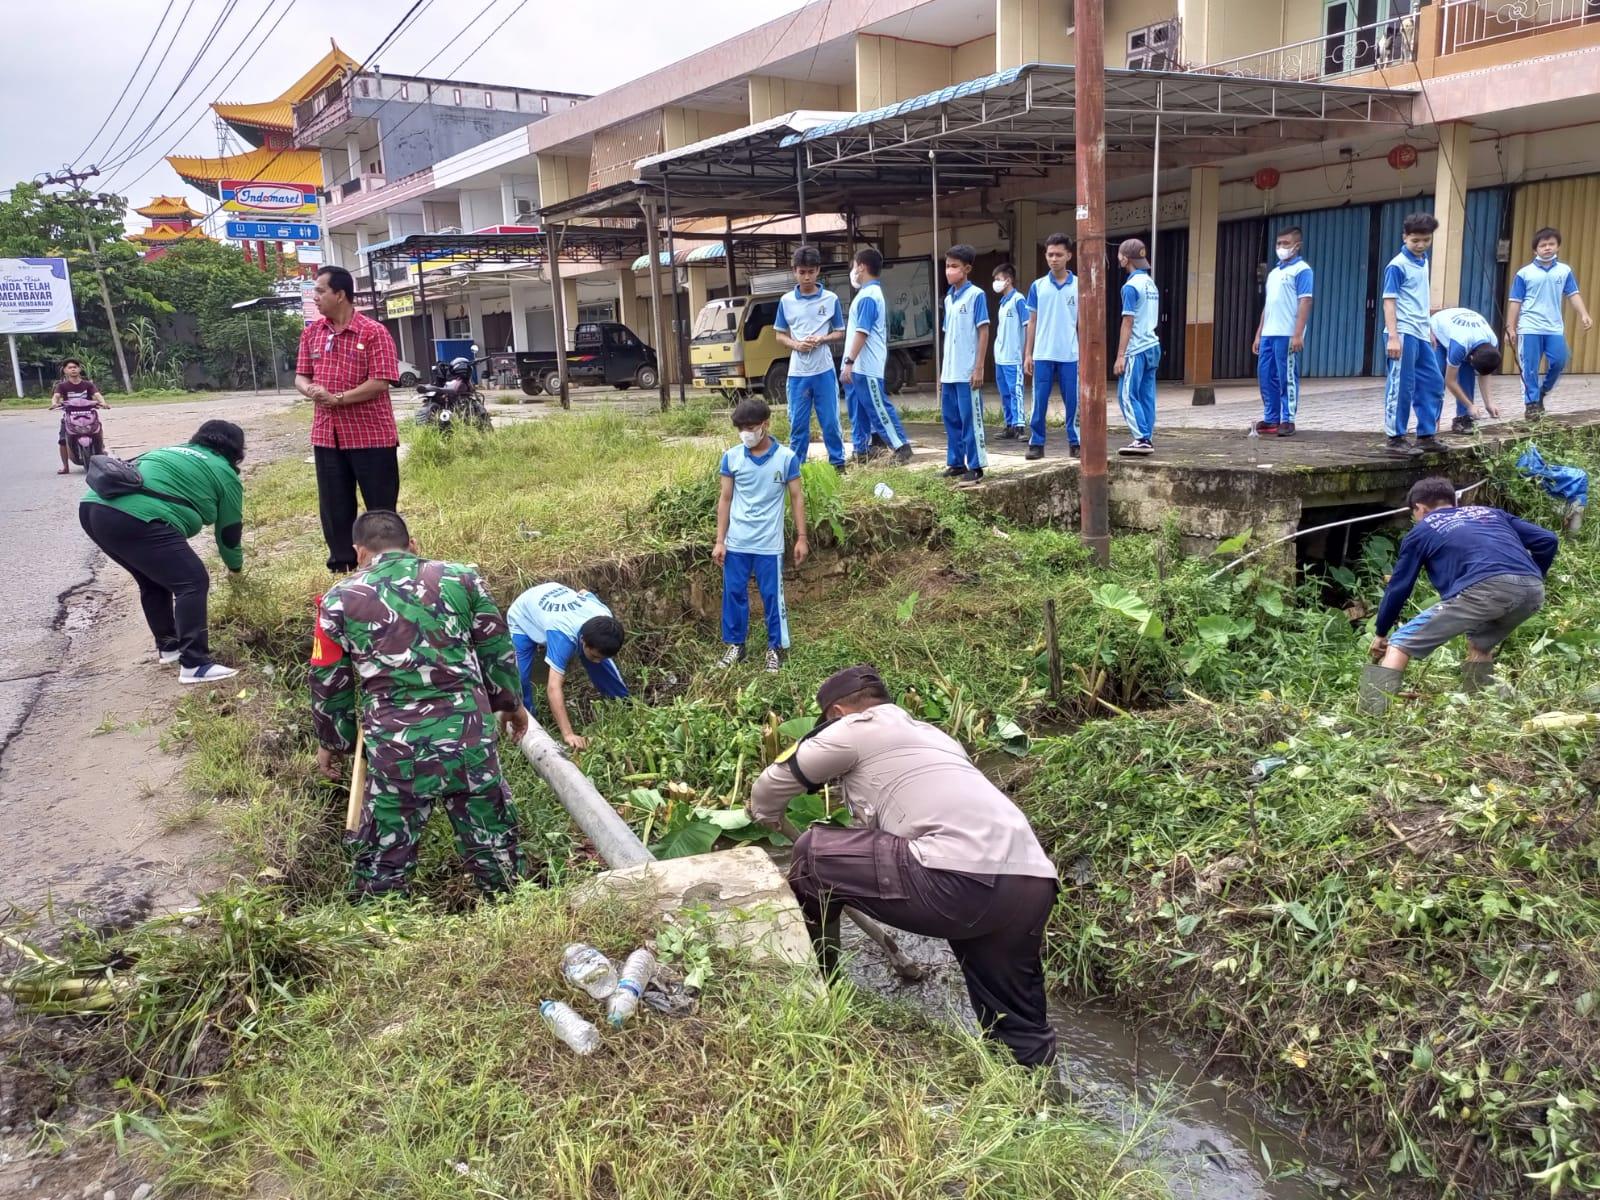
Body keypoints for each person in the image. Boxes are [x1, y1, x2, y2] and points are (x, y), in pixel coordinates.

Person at [748, 664, 1060, 1068]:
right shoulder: (936, 735)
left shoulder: (851, 727)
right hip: (1031, 883)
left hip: (956, 879)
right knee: (1015, 1020)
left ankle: (821, 986)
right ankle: (1033, 1094)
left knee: (813, 854)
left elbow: (769, 786)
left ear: (838, 713)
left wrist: (765, 813)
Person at [310, 510, 530, 899]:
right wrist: (511, 704)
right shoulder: (462, 578)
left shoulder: (338, 600)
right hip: (469, 739)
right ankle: (515, 903)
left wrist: (335, 740)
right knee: (498, 850)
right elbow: (497, 649)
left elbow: (329, 680)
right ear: (414, 546)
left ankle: (381, 919)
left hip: (396, 749)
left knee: (383, 860)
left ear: (359, 553)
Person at [1361, 477, 1557, 714]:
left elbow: (1399, 587)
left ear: (1419, 508)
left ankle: (1370, 715)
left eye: (1414, 513)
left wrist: (1381, 632)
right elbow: (1548, 540)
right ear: (1453, 501)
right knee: (1479, 644)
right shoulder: (1490, 513)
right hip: (1533, 590)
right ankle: (1480, 709)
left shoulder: (1422, 530)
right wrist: (1531, 578)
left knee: (1400, 642)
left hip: (1485, 589)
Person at [77, 420, 245, 683]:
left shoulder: (173, 450)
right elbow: (229, 533)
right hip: (135, 517)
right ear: (237, 451)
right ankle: (195, 664)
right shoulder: (224, 472)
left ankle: (170, 648)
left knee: (154, 580)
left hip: (92, 508)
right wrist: (236, 569)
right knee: (192, 580)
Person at [295, 265, 402, 573]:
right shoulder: (312, 333)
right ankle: (342, 566)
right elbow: (301, 376)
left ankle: (388, 565)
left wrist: (338, 398)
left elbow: (381, 381)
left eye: (320, 291)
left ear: (340, 295)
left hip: (371, 436)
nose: (315, 297)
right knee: (334, 507)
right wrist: (310, 389)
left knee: (380, 508)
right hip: (327, 436)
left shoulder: (373, 332)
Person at [714, 397, 809, 673]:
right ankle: (735, 645)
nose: (746, 433)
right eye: (740, 428)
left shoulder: (786, 458)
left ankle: (775, 648)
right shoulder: (731, 457)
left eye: (751, 427)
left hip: (769, 544)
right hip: (737, 543)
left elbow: (796, 498)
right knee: (733, 593)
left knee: (771, 596)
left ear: (766, 424)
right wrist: (720, 541)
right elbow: (725, 499)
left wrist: (801, 537)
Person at [506, 582, 628, 751]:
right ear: (582, 640)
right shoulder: (562, 636)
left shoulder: (604, 618)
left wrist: (596, 658)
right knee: (519, 678)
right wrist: (568, 734)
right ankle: (527, 723)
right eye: (594, 655)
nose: (597, 660)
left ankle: (624, 705)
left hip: (554, 598)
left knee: (601, 665)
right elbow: (553, 687)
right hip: (524, 617)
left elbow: (584, 592)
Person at [1507, 227, 1593, 420]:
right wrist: (1510, 327)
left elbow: (1573, 294)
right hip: (1529, 327)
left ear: (1558, 247)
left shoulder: (1564, 271)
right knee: (1529, 367)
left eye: (1551, 244)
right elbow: (1515, 301)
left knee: (1560, 360)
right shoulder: (1524, 273)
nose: (1547, 248)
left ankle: (1542, 392)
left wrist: (1584, 314)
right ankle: (1531, 404)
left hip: (1554, 327)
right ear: (1534, 250)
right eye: (1542, 245)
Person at [774, 246, 847, 470]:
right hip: (797, 373)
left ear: (818, 271)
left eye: (811, 272)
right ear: (794, 271)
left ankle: (838, 465)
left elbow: (840, 332)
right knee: (798, 423)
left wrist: (821, 339)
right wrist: (796, 344)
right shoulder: (786, 301)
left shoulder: (830, 298)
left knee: (830, 421)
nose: (807, 277)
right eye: (802, 272)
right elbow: (779, 335)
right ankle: (797, 468)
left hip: (823, 370)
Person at [840, 247, 912, 466]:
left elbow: (862, 332)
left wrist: (849, 361)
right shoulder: (865, 295)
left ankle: (901, 446)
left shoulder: (869, 297)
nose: (853, 270)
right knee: (858, 409)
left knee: (878, 406)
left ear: (861, 266)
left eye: (854, 265)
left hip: (865, 365)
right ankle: (861, 450)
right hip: (857, 366)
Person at [1381, 212, 1442, 457]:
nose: (1420, 245)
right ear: (1404, 237)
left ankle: (1426, 435)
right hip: (1402, 331)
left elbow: (1420, 298)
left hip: (1420, 331)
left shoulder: (1423, 261)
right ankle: (1395, 437)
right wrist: (1394, 337)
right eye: (1415, 240)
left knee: (1433, 382)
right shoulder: (1397, 265)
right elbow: (1389, 302)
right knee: (1401, 386)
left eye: (1426, 240)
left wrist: (1429, 329)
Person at [1022, 233, 1080, 460]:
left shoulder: (1079, 285)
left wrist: (1083, 353)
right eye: (1050, 254)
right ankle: (1036, 443)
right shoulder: (1037, 286)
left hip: (1070, 354)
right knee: (1039, 400)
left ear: (1069, 256)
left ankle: (1075, 442)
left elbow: (1081, 323)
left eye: (1058, 254)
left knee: (1073, 402)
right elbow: (1032, 321)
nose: (1054, 259)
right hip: (1043, 354)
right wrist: (1028, 354)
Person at [1252, 227, 1314, 438]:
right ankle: (1271, 418)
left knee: (1286, 377)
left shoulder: (1302, 270)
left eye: (1286, 244)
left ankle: (1288, 419)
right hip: (1269, 333)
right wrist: (1259, 333)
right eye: (1278, 244)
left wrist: (1298, 334)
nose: (1281, 248)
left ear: (1297, 246)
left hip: (1287, 333)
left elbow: (1305, 300)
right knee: (1265, 376)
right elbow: (1268, 305)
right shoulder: (1274, 273)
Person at [940, 244, 990, 484]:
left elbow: (983, 331)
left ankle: (977, 465)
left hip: (967, 370)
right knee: (951, 418)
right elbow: (948, 335)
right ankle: (956, 462)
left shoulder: (976, 295)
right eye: (947, 266)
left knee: (971, 418)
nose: (949, 271)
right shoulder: (948, 299)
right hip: (949, 372)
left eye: (954, 267)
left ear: (967, 269)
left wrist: (979, 367)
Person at [1114, 238, 1161, 457]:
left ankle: (1141, 438)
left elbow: (1128, 321)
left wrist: (1120, 355)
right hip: (1153, 345)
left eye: (1120, 255)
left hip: (1137, 348)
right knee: (1146, 395)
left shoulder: (1130, 287)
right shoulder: (1150, 283)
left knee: (1126, 395)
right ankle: (1147, 435)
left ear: (1125, 258)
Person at [1429, 307, 1503, 433]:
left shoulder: (1492, 343)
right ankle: (1432, 421)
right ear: (1472, 356)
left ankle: (1463, 418)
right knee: (1438, 376)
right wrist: (1470, 405)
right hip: (1438, 329)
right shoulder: (1460, 346)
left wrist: (1489, 403)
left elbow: (1484, 373)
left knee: (1467, 375)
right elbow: (1450, 381)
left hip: (1464, 332)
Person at [990, 263, 1028, 442]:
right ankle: (1009, 425)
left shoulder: (1018, 299)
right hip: (1001, 356)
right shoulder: (1003, 303)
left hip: (1014, 356)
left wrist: (1026, 352)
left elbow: (1027, 326)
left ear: (1008, 280)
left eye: (998, 279)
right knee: (1004, 392)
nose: (996, 283)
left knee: (1016, 391)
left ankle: (1020, 426)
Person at [51, 358, 108, 474]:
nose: (73, 369)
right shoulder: (62, 386)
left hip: (88, 414)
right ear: (65, 371)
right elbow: (56, 396)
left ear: (79, 369)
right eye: (70, 368)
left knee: (98, 432)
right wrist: (54, 403)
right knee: (62, 440)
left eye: (75, 367)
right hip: (70, 415)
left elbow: (97, 395)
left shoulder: (88, 384)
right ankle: (65, 467)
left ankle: (102, 452)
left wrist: (103, 403)